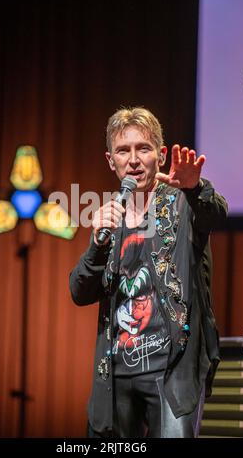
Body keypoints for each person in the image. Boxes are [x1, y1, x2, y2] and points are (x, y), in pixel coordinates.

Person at [69, 107, 228, 438]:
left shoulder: (183, 202)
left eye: (143, 148)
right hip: (116, 372)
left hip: (171, 369)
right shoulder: (110, 217)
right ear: (111, 161)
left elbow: (216, 213)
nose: (134, 159)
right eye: (123, 151)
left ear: (161, 154)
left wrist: (196, 188)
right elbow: (79, 292)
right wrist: (97, 244)